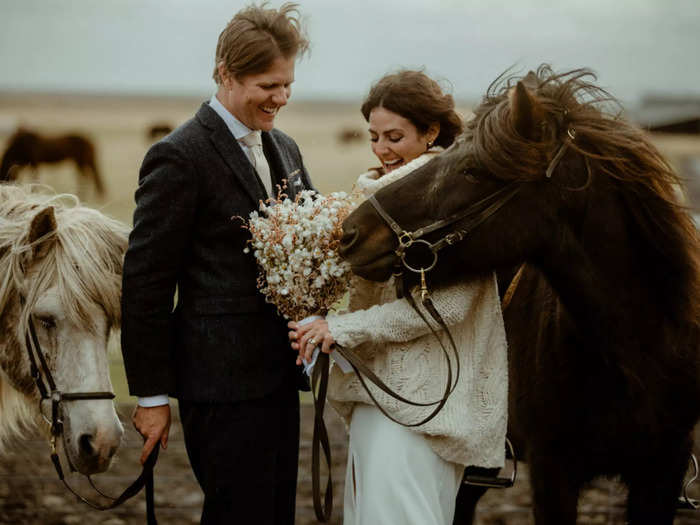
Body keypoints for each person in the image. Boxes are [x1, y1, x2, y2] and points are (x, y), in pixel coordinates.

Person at [120, 4, 313, 524]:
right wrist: (153, 396)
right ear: (226, 75)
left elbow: (310, 251)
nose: (282, 97)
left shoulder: (286, 148)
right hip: (220, 386)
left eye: (288, 83)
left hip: (281, 378)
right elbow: (145, 284)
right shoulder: (179, 156)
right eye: (268, 85)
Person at [289, 70, 509, 525]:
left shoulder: (452, 198)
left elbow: (447, 306)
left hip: (426, 404)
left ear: (430, 132)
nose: (381, 149)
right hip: (377, 394)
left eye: (394, 136)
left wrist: (342, 328)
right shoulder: (368, 196)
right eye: (373, 137)